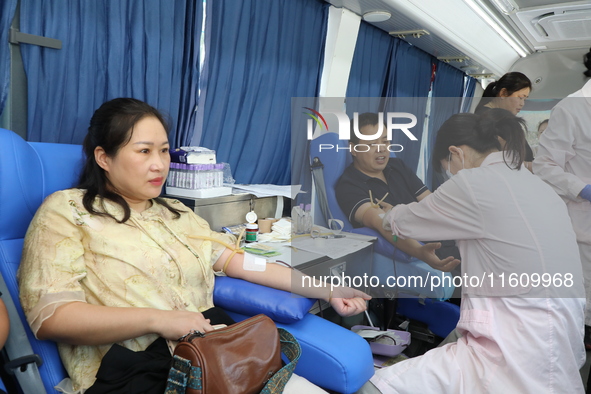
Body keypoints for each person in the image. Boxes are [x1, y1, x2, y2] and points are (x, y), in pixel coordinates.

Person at [17, 98, 370, 393]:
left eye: (164, 150)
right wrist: (162, 321)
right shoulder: (67, 211)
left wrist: (327, 288)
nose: (160, 165)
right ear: (103, 157)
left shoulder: (177, 213)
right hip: (139, 373)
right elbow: (52, 318)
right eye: (143, 151)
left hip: (216, 354)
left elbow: (243, 263)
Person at [357, 108, 585, 393]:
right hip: (561, 337)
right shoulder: (538, 186)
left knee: (377, 387)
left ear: (456, 153)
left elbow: (402, 222)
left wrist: (386, 215)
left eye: (447, 166)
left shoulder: (472, 183)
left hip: (512, 345)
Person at [335, 112, 460, 273]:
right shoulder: (349, 186)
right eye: (372, 144)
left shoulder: (397, 166)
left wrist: (398, 212)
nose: (381, 149)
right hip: (427, 250)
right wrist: (419, 252)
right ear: (353, 149)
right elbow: (381, 223)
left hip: (450, 237)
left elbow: (432, 204)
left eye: (385, 141)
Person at [533, 79, 591, 349]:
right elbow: (544, 166)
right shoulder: (571, 108)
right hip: (583, 236)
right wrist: (582, 188)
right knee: (580, 325)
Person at [474, 72, 535, 172]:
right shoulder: (490, 120)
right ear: (503, 93)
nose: (522, 103)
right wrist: (530, 166)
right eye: (520, 98)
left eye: (525, 99)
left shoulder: (495, 116)